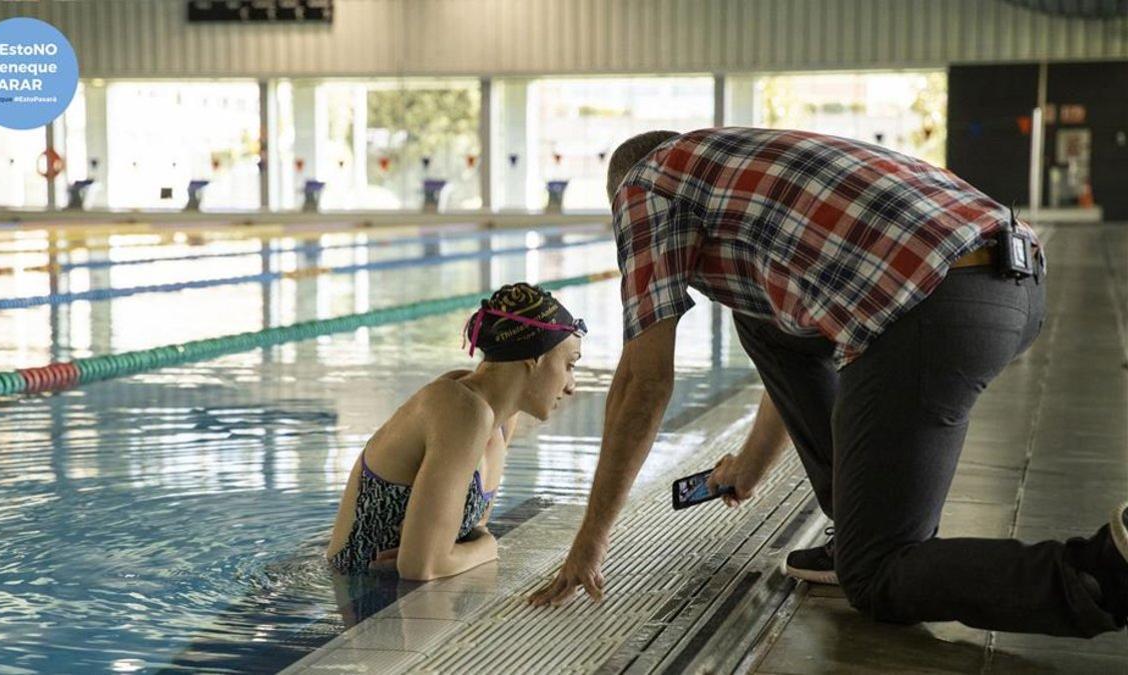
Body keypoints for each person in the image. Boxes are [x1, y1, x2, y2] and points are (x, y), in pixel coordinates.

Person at [529, 127, 1127, 638]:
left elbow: (642, 381)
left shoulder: (644, 184)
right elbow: (794, 343)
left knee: (877, 574)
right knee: (763, 325)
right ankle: (858, 521)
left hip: (935, 307)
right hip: (1016, 284)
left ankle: (1102, 571)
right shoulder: (737, 161)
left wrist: (589, 543)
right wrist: (751, 468)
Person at [327, 282, 585, 580]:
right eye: (569, 365)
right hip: (354, 596)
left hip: (398, 595)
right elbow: (423, 567)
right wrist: (488, 547)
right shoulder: (461, 410)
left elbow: (470, 533)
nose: (571, 386)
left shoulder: (501, 418)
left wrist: (467, 547)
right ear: (534, 357)